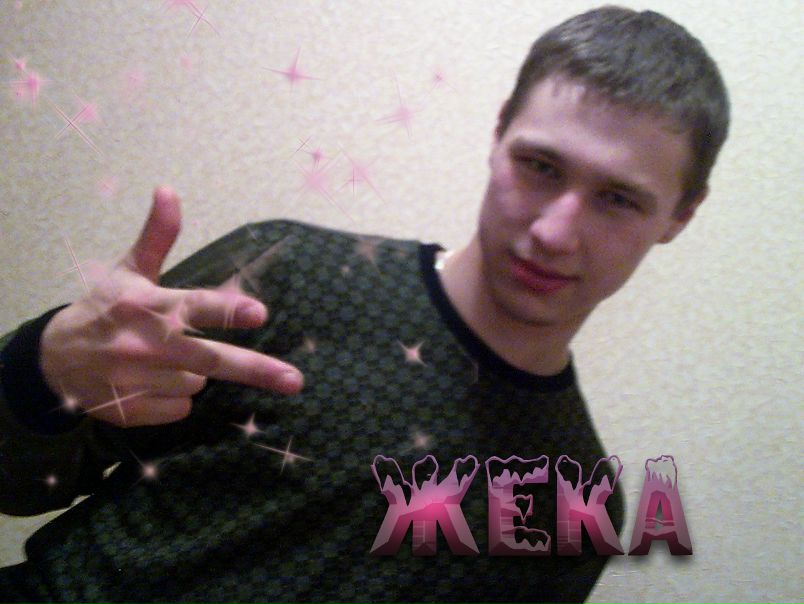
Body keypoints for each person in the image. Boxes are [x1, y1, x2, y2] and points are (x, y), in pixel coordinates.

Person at [0, 6, 729, 603]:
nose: (554, 233)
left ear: (680, 216)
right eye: (539, 165)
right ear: (498, 131)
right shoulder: (287, 275)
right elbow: (16, 484)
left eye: (618, 199)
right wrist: (42, 369)